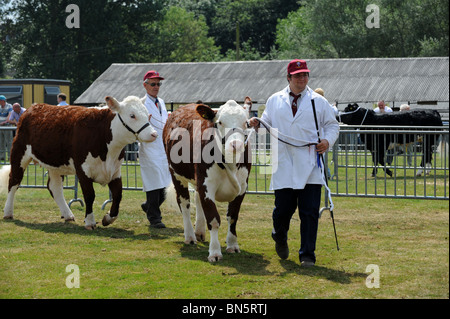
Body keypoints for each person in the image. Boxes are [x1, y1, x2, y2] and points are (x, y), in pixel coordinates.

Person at [248, 59, 340, 267]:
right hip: (284, 163)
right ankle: (279, 236)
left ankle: (307, 255)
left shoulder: (318, 101)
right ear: (288, 78)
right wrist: (257, 123)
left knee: (309, 212)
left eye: (305, 75)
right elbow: (266, 125)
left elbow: (332, 125)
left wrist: (327, 141)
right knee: (282, 211)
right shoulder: (274, 100)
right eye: (298, 76)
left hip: (310, 163)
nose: (302, 79)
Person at [139, 70, 171, 229]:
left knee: (166, 183)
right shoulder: (140, 103)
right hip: (149, 146)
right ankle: (154, 218)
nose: (156, 87)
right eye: (153, 84)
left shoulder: (162, 102)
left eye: (158, 84)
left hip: (163, 147)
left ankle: (149, 206)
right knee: (153, 183)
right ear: (145, 85)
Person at [0, 95, 14, 161]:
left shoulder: (9, 106)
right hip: (0, 127)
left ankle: (9, 156)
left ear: (3, 101)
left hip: (7, 126)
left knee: (9, 142)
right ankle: (2, 156)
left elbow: (10, 115)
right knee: (1, 142)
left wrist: (5, 122)